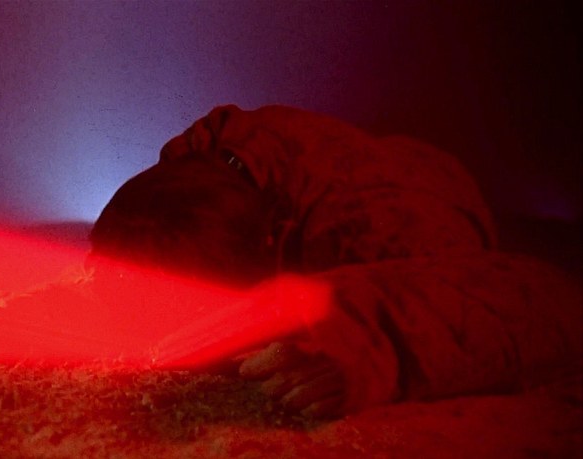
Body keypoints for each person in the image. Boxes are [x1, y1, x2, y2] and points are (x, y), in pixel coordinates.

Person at [89, 105, 582, 418]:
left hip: (426, 206)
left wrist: (357, 339)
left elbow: (544, 297)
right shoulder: (207, 157)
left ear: (272, 245)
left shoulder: (389, 229)